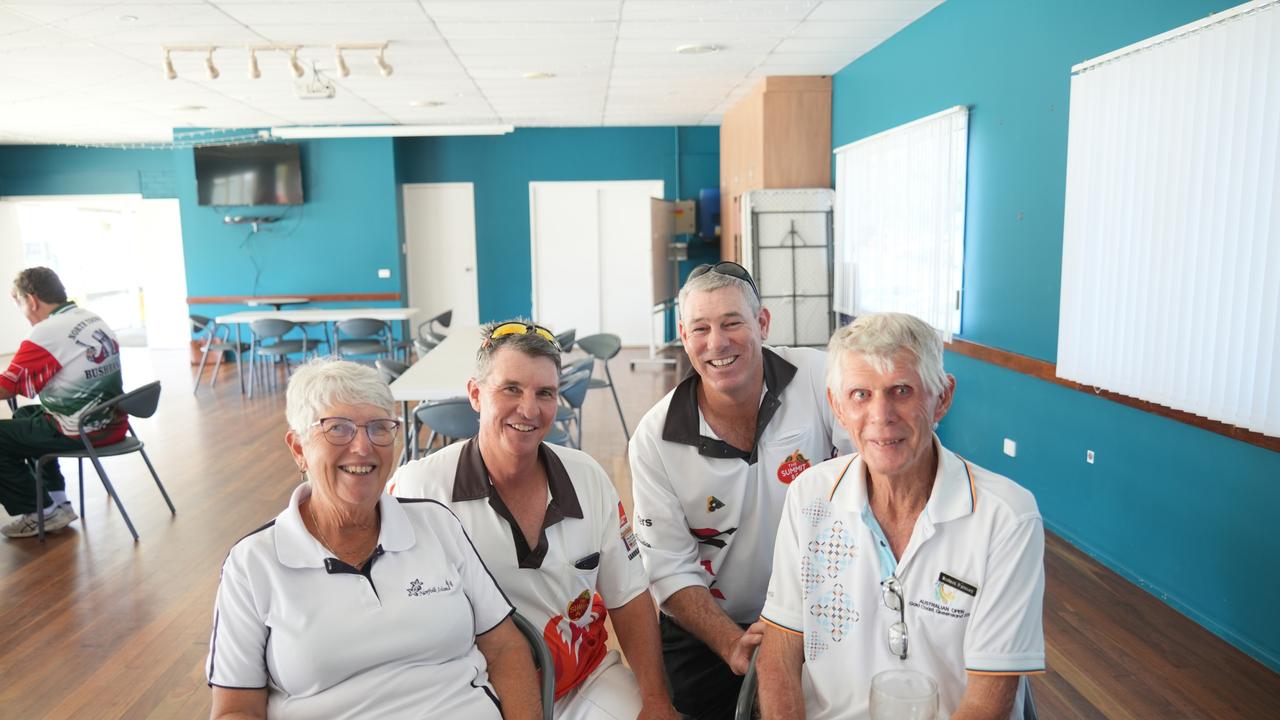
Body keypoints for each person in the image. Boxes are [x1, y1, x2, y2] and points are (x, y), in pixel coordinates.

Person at [207, 358, 540, 720]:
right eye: (338, 429)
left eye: (380, 428)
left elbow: (506, 648)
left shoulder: (436, 524)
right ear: (299, 448)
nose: (363, 448)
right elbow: (236, 709)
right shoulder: (254, 563)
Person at [756, 312, 1045, 719]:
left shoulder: (1005, 518)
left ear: (942, 396)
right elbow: (780, 650)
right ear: (837, 406)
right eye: (860, 394)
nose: (881, 415)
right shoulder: (811, 496)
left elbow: (987, 700)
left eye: (902, 390)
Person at [389, 321, 678, 720]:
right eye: (511, 389)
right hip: (473, 694)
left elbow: (628, 597)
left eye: (545, 393)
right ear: (476, 394)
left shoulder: (589, 478)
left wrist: (657, 701)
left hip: (582, 681)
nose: (529, 409)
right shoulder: (419, 487)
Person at [627, 262, 852, 719]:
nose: (718, 342)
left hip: (822, 609)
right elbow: (669, 569)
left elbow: (869, 479)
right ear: (684, 336)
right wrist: (732, 643)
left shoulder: (820, 376)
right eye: (701, 328)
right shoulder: (654, 438)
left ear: (762, 323)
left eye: (732, 322)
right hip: (708, 626)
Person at [0, 266, 124, 539]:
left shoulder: (47, 332)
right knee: (25, 416)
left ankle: (38, 513)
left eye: (20, 303)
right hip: (112, 422)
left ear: (31, 301)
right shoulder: (90, 318)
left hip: (82, 430)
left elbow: (7, 387)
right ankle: (58, 503)